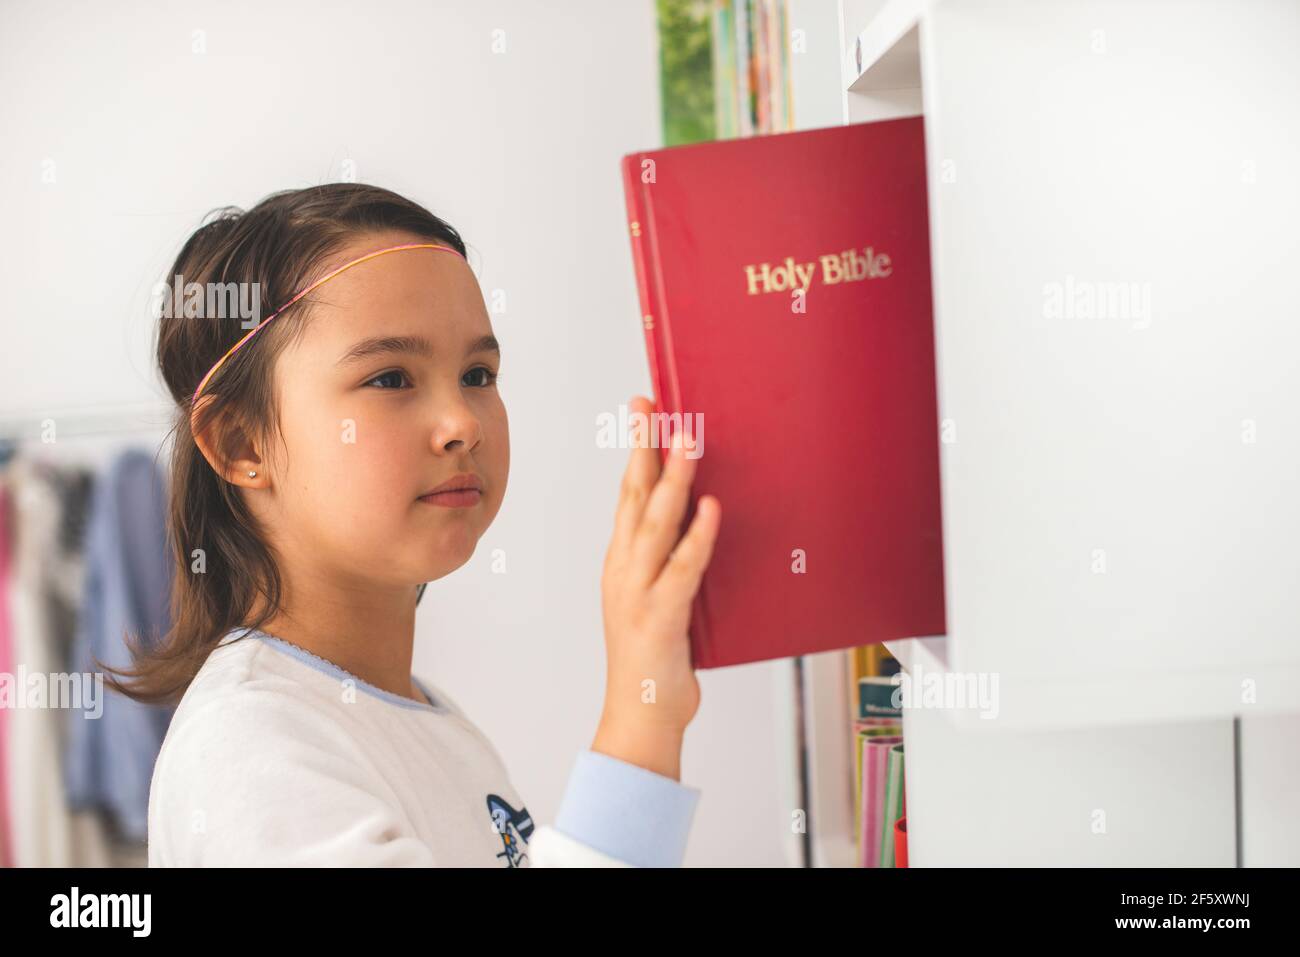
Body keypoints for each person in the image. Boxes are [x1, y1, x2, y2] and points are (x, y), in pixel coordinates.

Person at [114, 183, 721, 866]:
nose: (462, 422)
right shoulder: (250, 750)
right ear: (240, 443)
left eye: (477, 373)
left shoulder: (421, 716)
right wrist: (642, 721)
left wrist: (655, 706)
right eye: (391, 378)